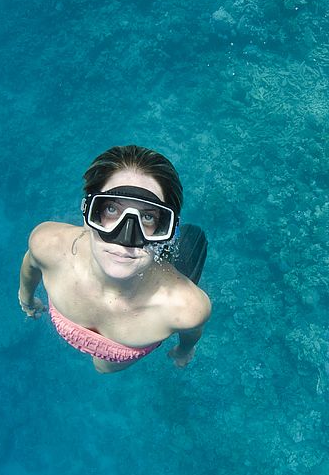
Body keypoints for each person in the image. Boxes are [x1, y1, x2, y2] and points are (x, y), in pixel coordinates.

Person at [18, 145, 211, 373]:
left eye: (148, 217)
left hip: (117, 355)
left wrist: (184, 350)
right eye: (111, 209)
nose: (125, 239)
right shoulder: (46, 244)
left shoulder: (188, 308)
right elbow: (31, 263)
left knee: (103, 368)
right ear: (87, 212)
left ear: (166, 230)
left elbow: (190, 333)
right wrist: (25, 297)